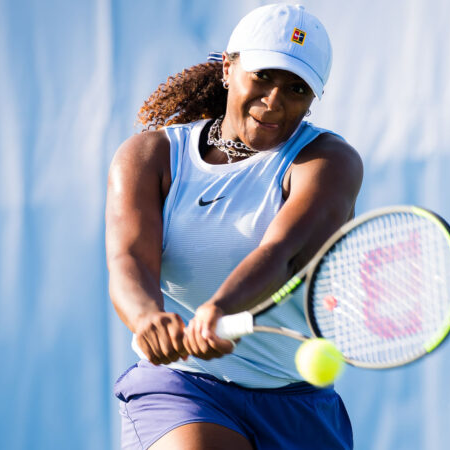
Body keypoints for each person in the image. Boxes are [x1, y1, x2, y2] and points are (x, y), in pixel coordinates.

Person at [106, 4, 363, 449]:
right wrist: (147, 319)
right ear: (229, 67)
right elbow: (128, 259)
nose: (275, 101)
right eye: (263, 76)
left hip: (297, 404)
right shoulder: (149, 157)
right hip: (186, 387)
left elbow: (281, 253)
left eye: (296, 88)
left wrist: (221, 307)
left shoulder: (328, 162)